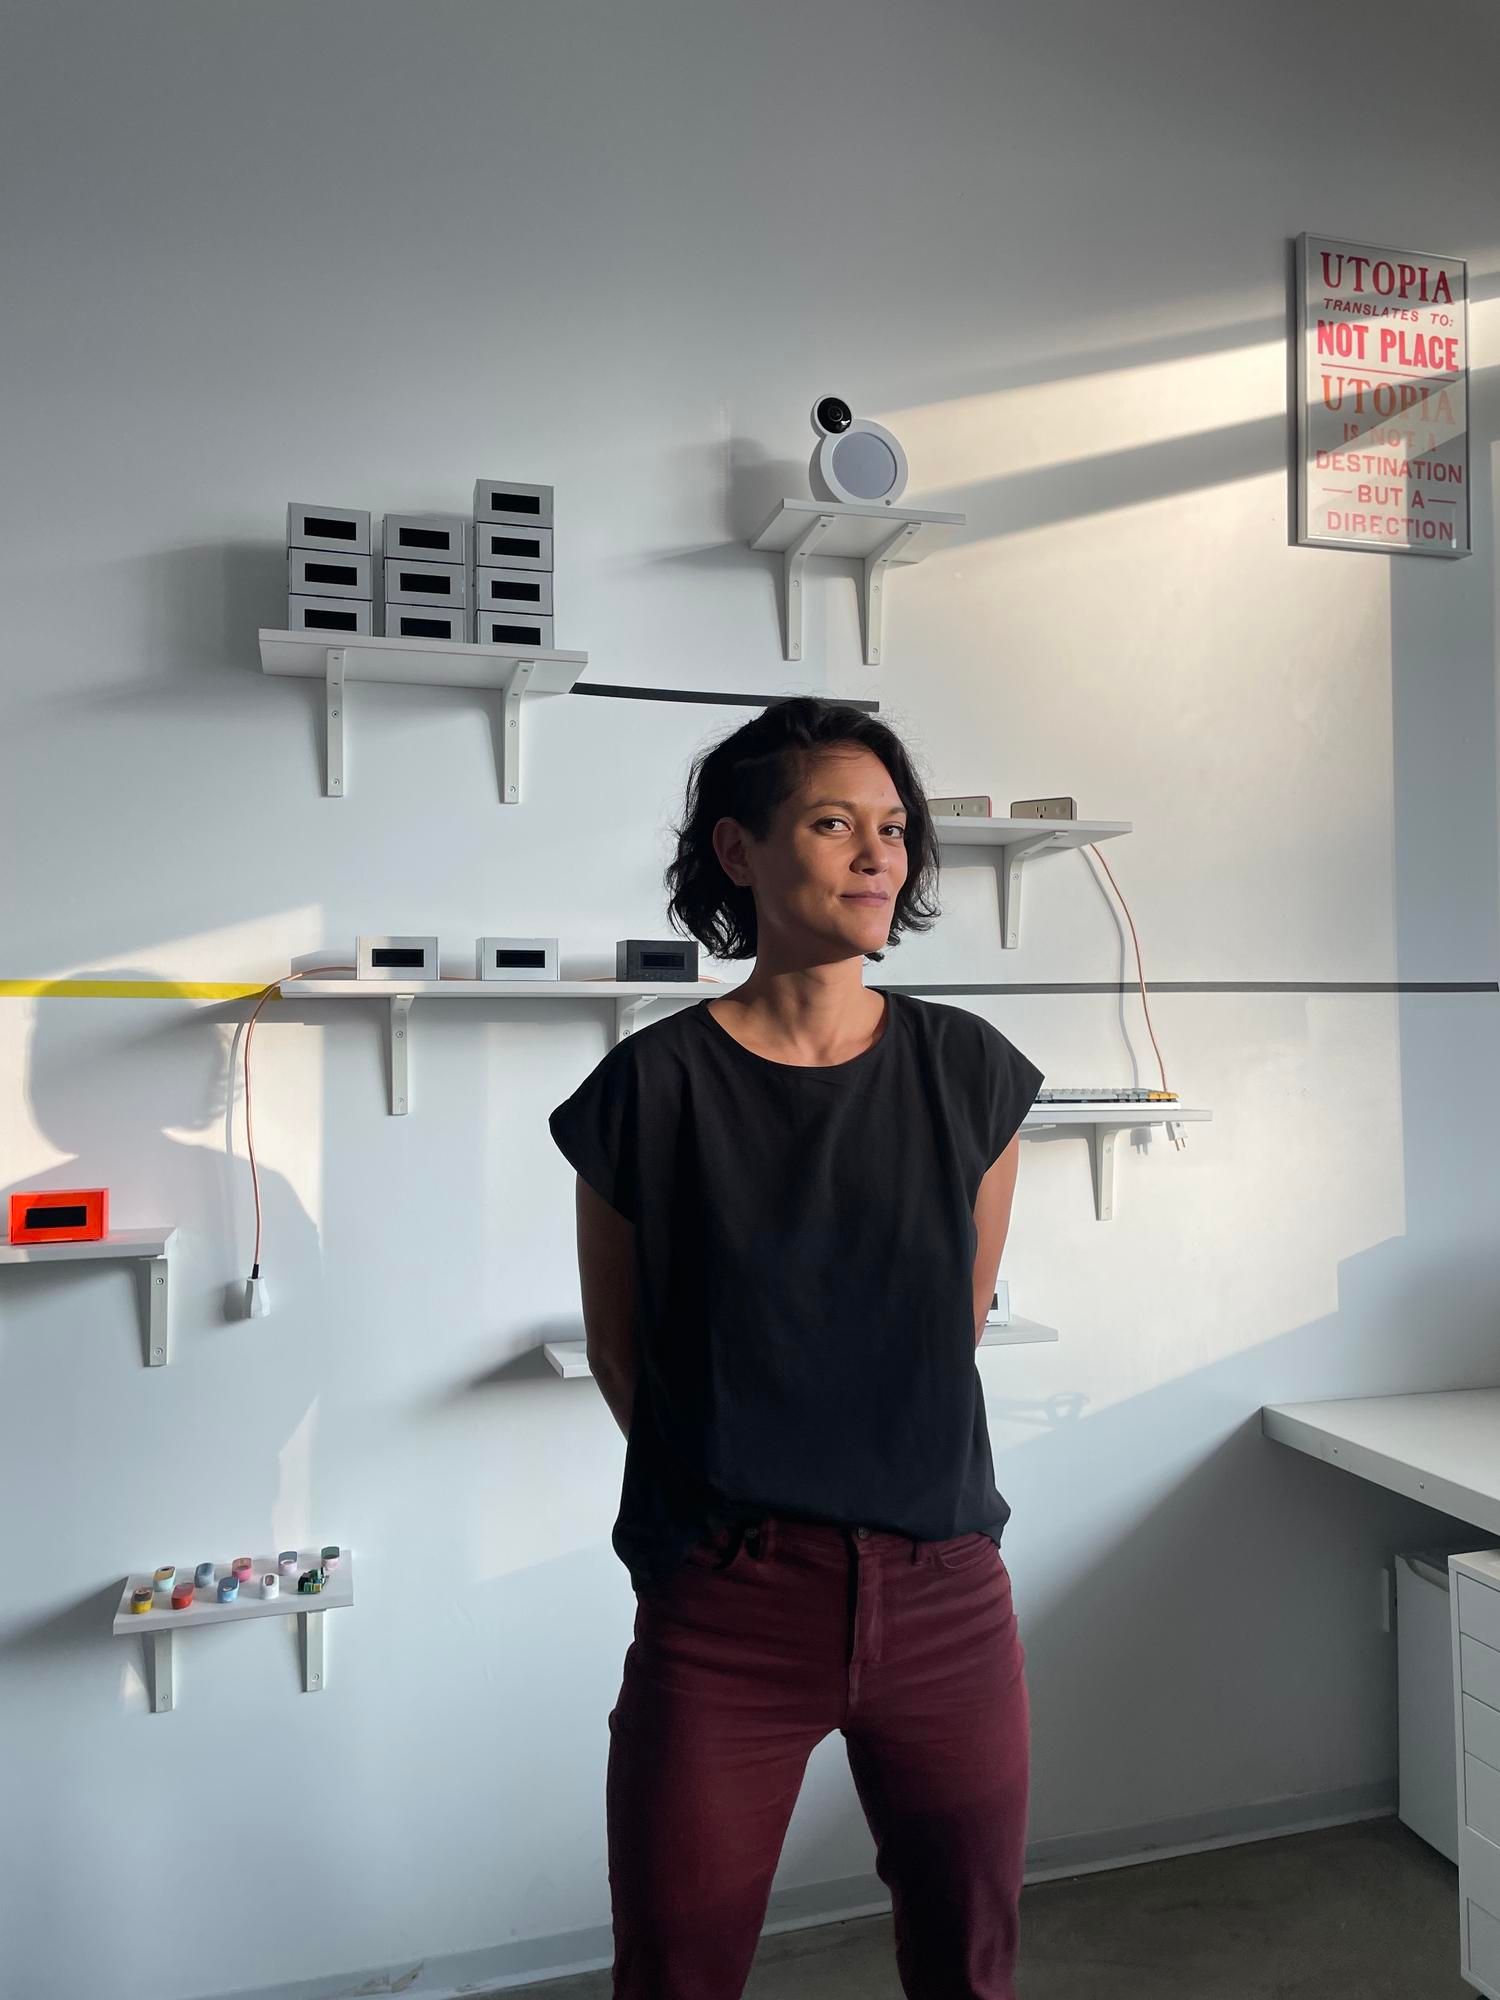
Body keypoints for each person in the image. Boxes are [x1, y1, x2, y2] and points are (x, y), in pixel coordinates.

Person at [548, 695, 1045, 2000]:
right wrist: (732, 1519)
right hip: (727, 1609)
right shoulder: (648, 1092)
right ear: (740, 851)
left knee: (969, 1970)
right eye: (835, 823)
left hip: (945, 1594)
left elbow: (959, 1323)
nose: (881, 854)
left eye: (894, 828)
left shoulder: (974, 1073)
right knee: (677, 1971)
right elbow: (624, 1358)